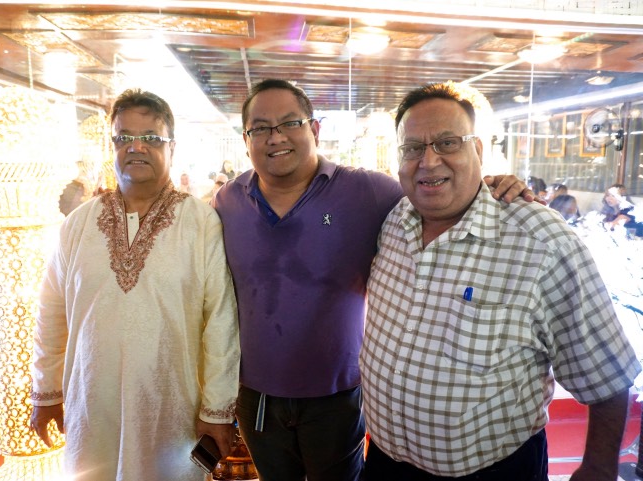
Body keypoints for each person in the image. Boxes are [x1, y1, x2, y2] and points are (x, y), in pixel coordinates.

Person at [212, 78, 534, 481]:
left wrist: (490, 184)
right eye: (260, 128)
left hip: (339, 394)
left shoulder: (367, 191)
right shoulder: (227, 201)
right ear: (246, 140)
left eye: (290, 123)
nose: (275, 137)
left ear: (314, 129)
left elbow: (436, 194)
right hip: (257, 394)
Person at [360, 81, 640, 481]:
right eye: (413, 148)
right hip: (384, 463)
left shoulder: (542, 241)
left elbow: (606, 371)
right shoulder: (391, 222)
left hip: (493, 471)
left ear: (478, 150)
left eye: (447, 143)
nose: (429, 161)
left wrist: (598, 467)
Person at [29, 88, 240, 480]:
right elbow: (51, 312)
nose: (136, 147)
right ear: (112, 145)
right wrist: (46, 391)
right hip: (92, 404)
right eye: (124, 137)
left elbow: (221, 321)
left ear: (172, 147)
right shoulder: (78, 224)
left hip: (171, 409)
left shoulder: (200, 223)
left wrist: (217, 410)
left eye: (151, 138)